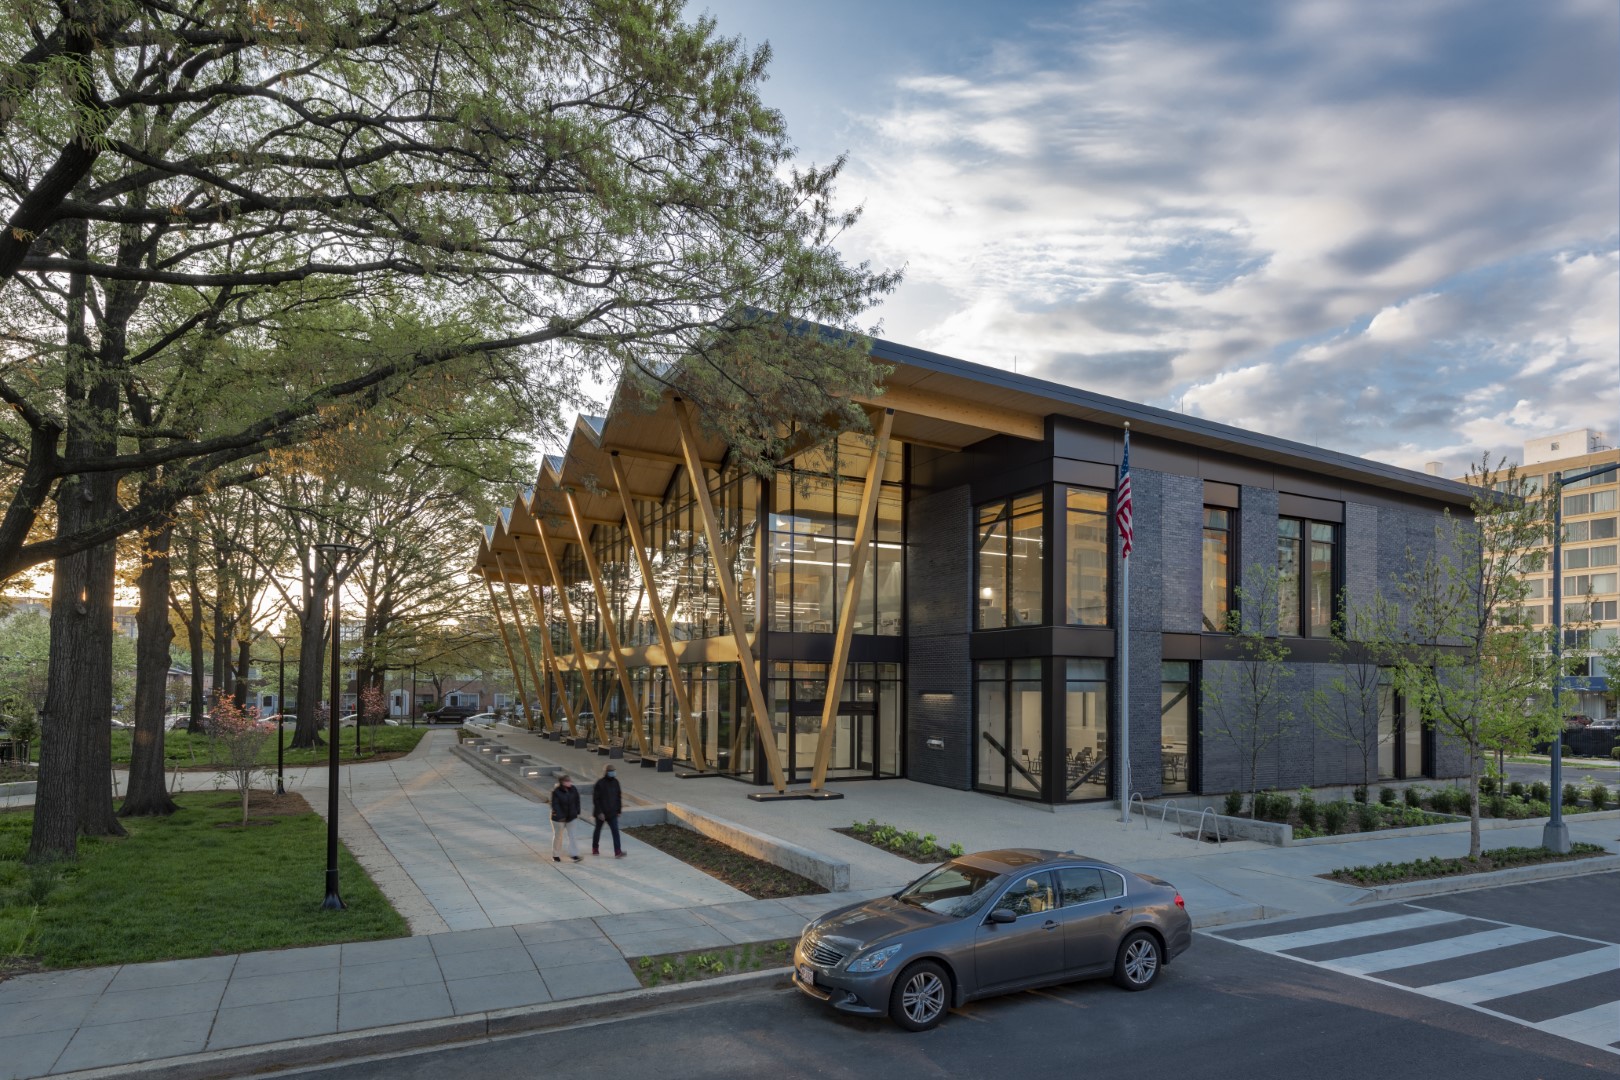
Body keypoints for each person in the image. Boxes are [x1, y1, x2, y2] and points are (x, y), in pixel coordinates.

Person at [592, 762, 626, 857]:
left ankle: (618, 851)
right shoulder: (600, 783)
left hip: (612, 813)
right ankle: (595, 848)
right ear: (606, 772)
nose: (613, 772)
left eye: (614, 771)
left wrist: (619, 810)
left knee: (615, 831)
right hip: (601, 813)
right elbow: (596, 799)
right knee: (598, 830)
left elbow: (618, 797)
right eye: (611, 771)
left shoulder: (616, 782)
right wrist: (599, 812)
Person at [550, 773, 582, 862]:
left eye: (570, 780)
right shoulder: (556, 792)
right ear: (562, 782)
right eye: (567, 781)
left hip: (571, 817)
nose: (569, 782)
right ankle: (556, 855)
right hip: (559, 819)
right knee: (558, 836)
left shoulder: (573, 789)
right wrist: (561, 816)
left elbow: (577, 801)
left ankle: (574, 854)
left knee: (573, 836)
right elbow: (555, 805)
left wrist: (577, 812)